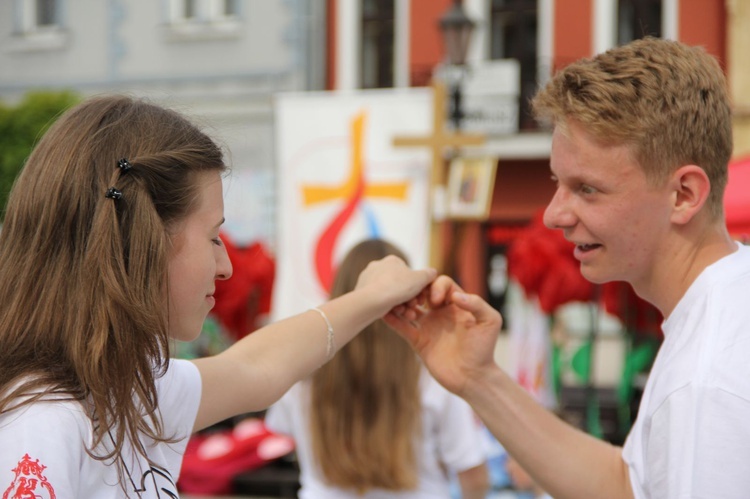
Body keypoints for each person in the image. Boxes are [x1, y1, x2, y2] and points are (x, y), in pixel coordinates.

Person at [0, 95, 436, 497]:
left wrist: (375, 296)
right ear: (147, 240)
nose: (225, 265)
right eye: (213, 237)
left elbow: (257, 367)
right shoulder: (42, 423)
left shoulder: (125, 390)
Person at [385, 37, 750, 498]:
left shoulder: (706, 380)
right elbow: (626, 484)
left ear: (684, 195)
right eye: (560, 183)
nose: (554, 214)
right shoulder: (724, 309)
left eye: (588, 189)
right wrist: (479, 378)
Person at [265, 238, 489, 499]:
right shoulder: (434, 377)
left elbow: (283, 433)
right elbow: (473, 478)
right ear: (409, 297)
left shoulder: (302, 376)